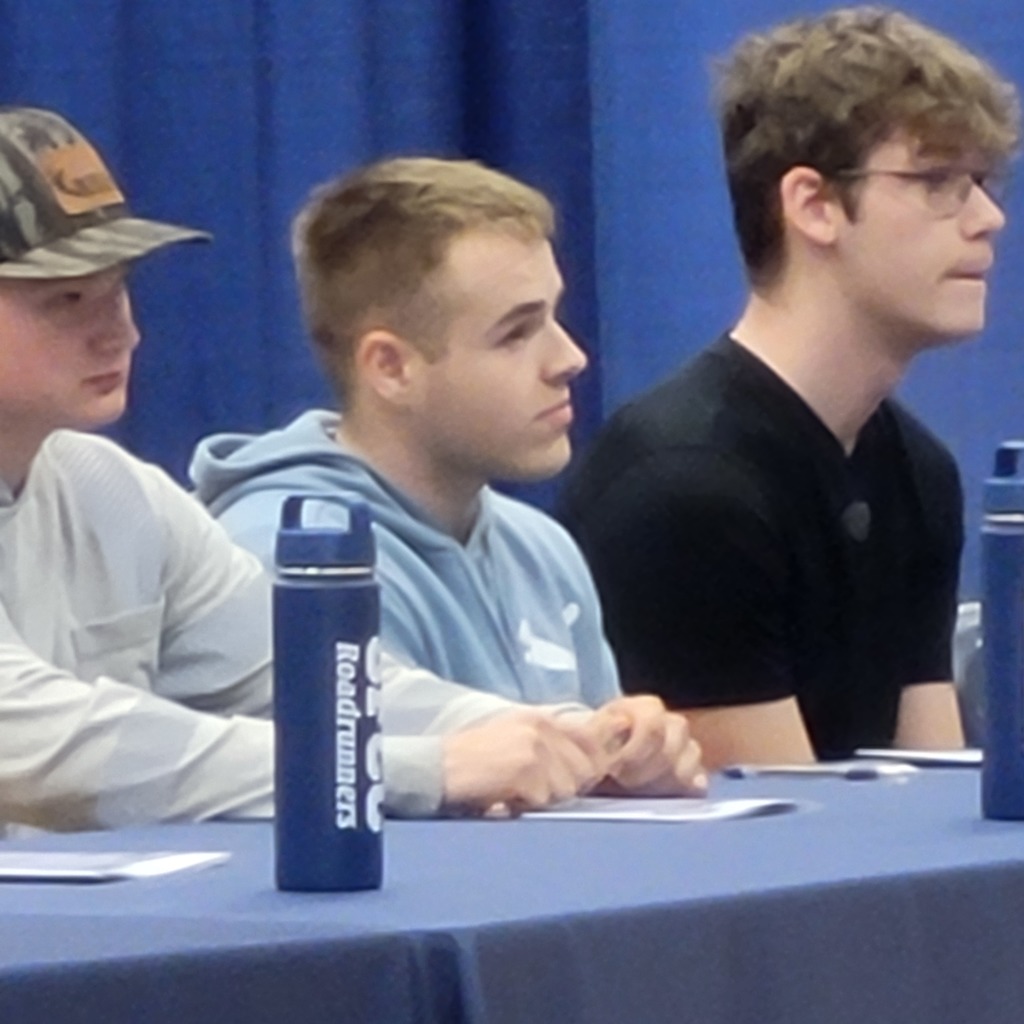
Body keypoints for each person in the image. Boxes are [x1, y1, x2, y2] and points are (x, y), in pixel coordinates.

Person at [0, 105, 658, 832]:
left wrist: (570, 741)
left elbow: (317, 680)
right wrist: (414, 769)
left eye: (117, 287)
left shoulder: (117, 493)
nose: (120, 329)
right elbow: (36, 738)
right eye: (65, 299)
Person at [560, 6, 1020, 769]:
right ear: (813, 205)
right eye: (938, 180)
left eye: (981, 181)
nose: (989, 217)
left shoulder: (918, 472)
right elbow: (783, 844)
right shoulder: (684, 490)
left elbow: (932, 796)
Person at [191, 157, 706, 797]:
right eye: (517, 333)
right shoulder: (289, 557)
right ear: (390, 367)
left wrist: (641, 757)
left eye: (555, 317)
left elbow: (590, 799)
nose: (570, 358)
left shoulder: (541, 548)